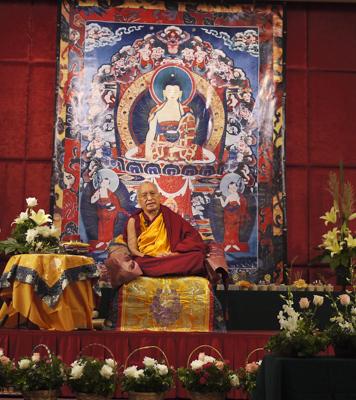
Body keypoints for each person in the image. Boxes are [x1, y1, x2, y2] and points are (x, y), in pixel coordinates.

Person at [144, 75, 202, 162]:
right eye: (169, 91)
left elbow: (191, 133)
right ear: (164, 93)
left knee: (194, 152)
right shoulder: (156, 110)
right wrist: (147, 150)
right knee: (154, 152)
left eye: (175, 91)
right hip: (160, 144)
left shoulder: (186, 111)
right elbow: (151, 132)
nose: (172, 94)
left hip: (181, 146)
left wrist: (177, 147)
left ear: (180, 93)